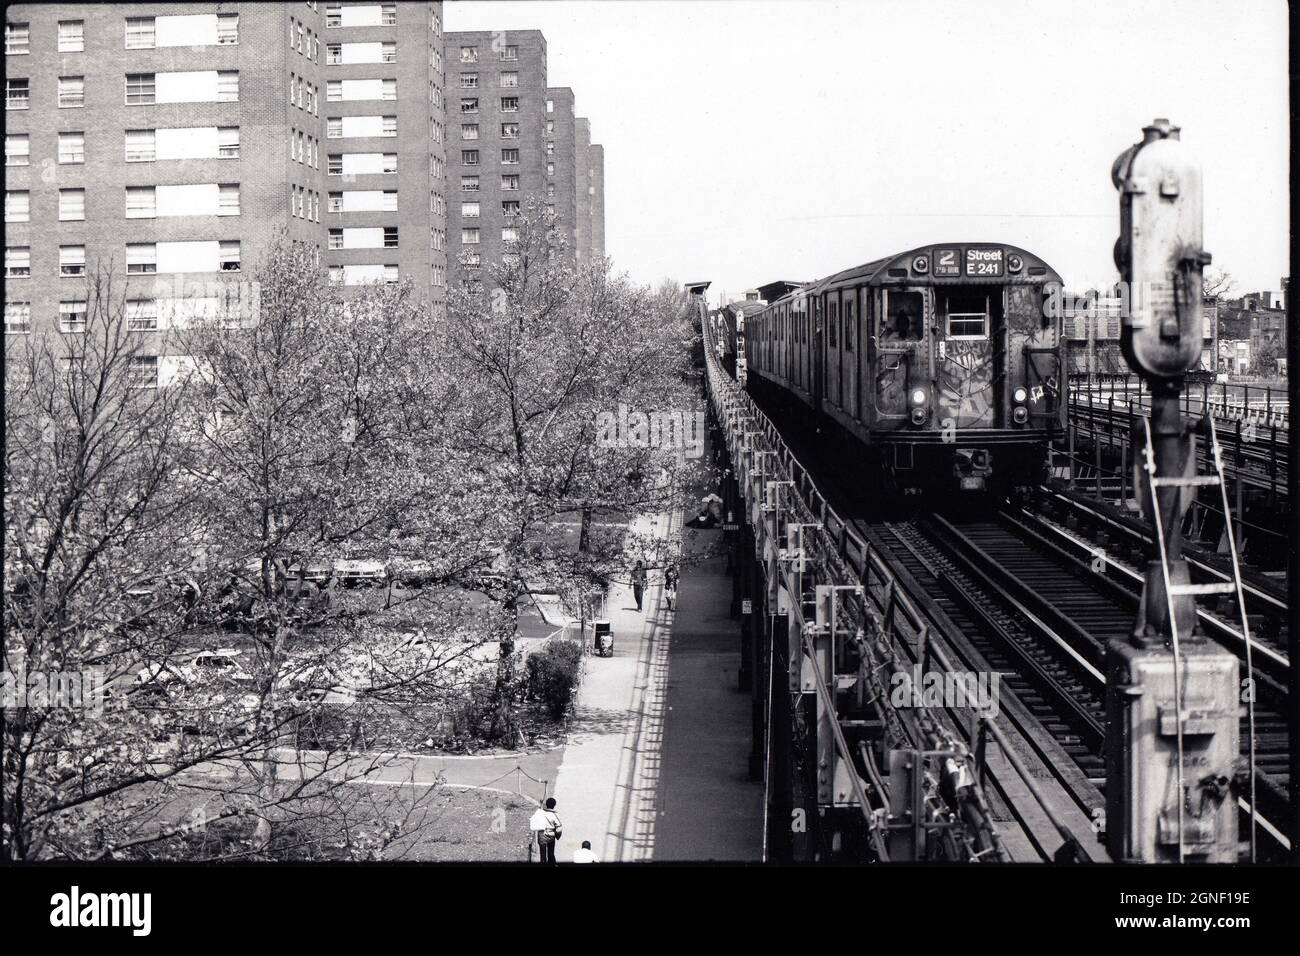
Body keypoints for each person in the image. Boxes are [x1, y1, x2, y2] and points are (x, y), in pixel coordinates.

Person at [529, 797, 563, 863]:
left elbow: (534, 820)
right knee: (551, 854)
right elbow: (559, 829)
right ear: (554, 805)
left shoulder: (541, 813)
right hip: (551, 837)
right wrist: (557, 836)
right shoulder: (555, 815)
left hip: (541, 837)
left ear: (546, 804)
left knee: (543, 856)